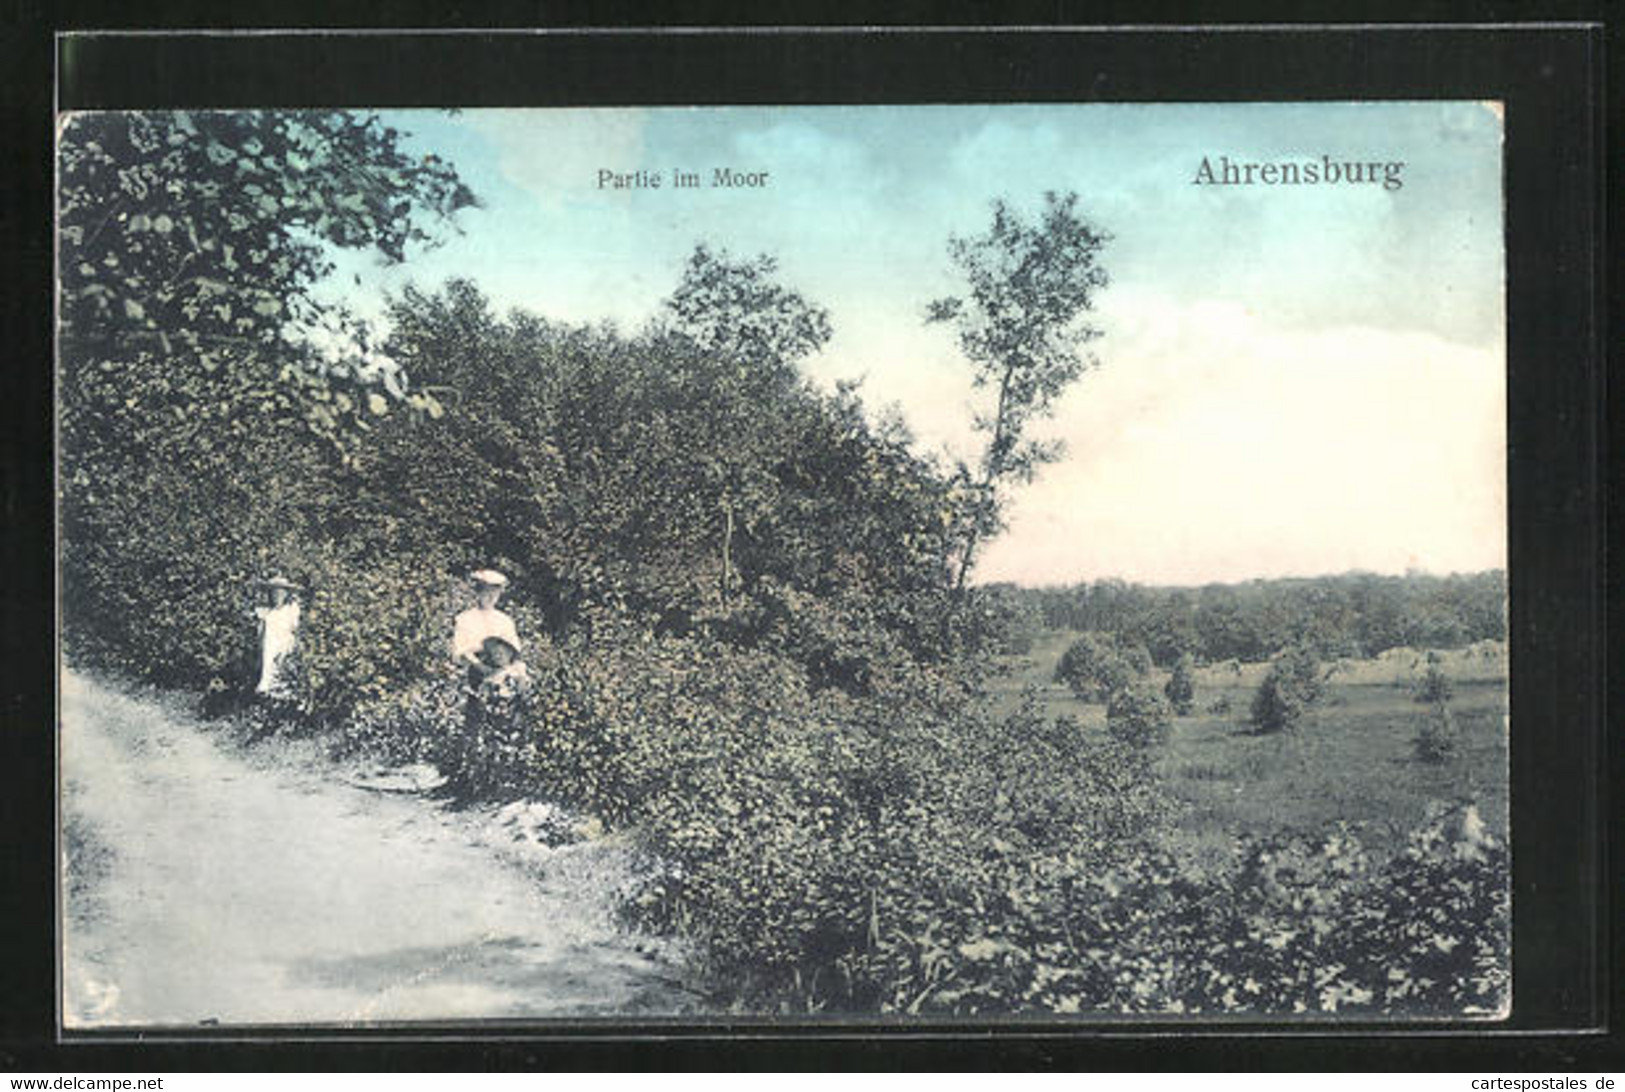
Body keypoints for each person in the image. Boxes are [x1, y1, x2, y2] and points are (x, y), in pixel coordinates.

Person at [451, 569, 522, 686]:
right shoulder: (464, 619)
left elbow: (515, 652)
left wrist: (516, 674)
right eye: (487, 592)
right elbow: (460, 650)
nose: (491, 597)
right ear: (478, 592)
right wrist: (481, 667)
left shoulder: (505, 620)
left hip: (503, 674)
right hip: (473, 674)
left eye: (495, 593)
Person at [253, 575, 302, 698]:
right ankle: (266, 680)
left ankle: (270, 681)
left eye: (280, 592)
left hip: (286, 642)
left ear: (286, 594)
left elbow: (295, 628)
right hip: (269, 644)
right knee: (268, 642)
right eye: (274, 592)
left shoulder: (291, 609)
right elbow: (260, 633)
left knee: (275, 645)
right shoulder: (267, 612)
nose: (277, 596)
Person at [478, 634, 531, 699]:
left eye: (500, 653)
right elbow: (488, 681)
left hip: (516, 695)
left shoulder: (517, 666)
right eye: (494, 654)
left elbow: (522, 676)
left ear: (510, 653)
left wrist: (520, 682)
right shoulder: (496, 672)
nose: (497, 656)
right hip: (500, 699)